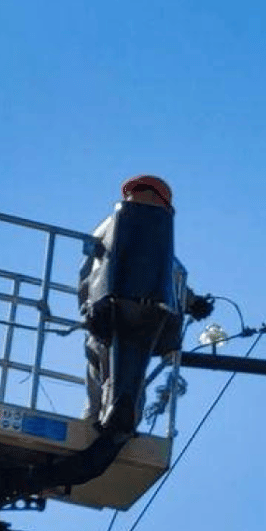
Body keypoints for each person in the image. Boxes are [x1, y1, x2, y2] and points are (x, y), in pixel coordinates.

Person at [77, 175, 211, 434]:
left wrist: (88, 310)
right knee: (125, 382)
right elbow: (167, 279)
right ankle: (114, 432)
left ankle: (94, 427)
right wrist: (193, 303)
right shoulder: (143, 236)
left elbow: (85, 276)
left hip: (105, 314)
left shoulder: (111, 230)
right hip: (135, 316)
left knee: (102, 375)